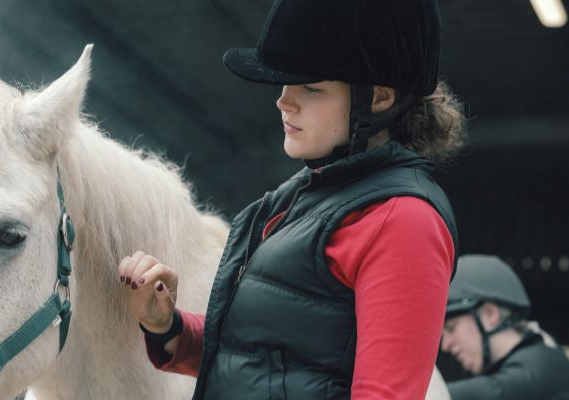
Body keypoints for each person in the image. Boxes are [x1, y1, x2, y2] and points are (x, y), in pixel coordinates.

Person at [117, 0, 466, 398]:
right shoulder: (297, 200)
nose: (283, 100)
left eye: (311, 88)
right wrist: (167, 326)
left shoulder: (403, 220)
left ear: (380, 98)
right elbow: (255, 364)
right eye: (286, 84)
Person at [441, 254, 569, 400]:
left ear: (490, 314)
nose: (445, 346)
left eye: (451, 327)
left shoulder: (541, 369)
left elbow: (492, 392)